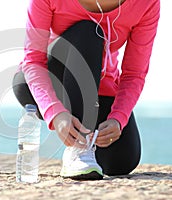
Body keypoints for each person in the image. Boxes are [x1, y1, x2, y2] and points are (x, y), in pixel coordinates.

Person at [13, 0, 160, 180]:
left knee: (121, 161)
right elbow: (34, 61)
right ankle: (78, 151)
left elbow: (134, 73)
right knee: (89, 32)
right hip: (47, 80)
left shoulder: (147, 3)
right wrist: (56, 113)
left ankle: (86, 143)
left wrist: (118, 118)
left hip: (100, 86)